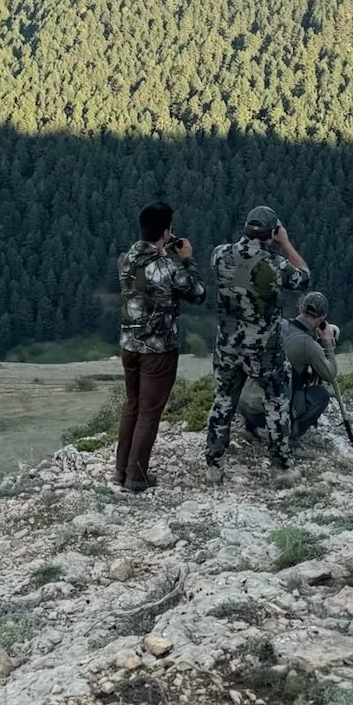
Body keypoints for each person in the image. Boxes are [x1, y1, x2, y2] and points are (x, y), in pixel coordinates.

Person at [206, 205, 310, 470]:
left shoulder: (220, 254)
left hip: (228, 345)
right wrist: (285, 243)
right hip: (265, 349)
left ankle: (214, 463)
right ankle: (279, 465)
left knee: (223, 402)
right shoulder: (275, 265)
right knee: (276, 402)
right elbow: (304, 278)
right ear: (272, 232)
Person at [115, 201, 205, 494]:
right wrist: (188, 259)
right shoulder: (167, 266)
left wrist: (162, 250)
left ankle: (121, 470)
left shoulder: (125, 259)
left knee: (132, 405)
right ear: (166, 232)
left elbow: (146, 274)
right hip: (158, 348)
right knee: (150, 411)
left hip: (129, 344)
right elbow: (197, 293)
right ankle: (136, 477)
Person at [241, 290, 339, 445]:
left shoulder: (278, 324)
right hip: (266, 413)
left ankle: (249, 429)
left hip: (244, 403)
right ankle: (292, 439)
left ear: (300, 308)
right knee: (321, 395)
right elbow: (330, 375)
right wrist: (327, 342)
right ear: (322, 319)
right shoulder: (307, 344)